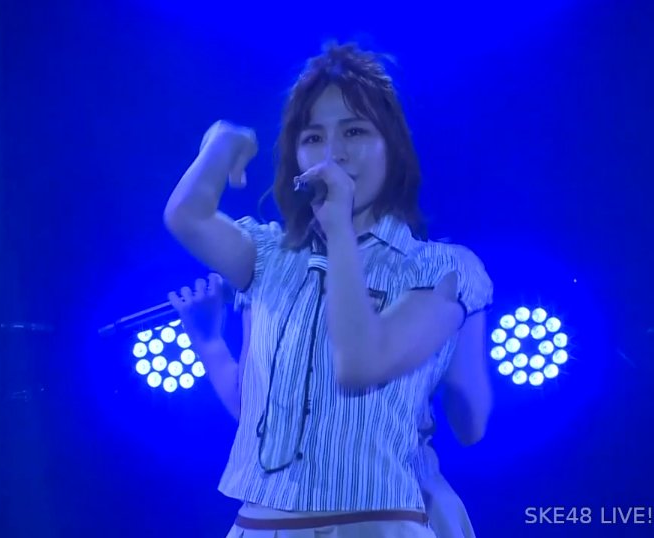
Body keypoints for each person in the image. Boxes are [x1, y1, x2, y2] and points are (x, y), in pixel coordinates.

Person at [163, 42, 493, 537]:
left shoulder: (439, 267)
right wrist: (222, 142)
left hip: (375, 522)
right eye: (313, 137)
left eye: (355, 131)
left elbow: (364, 368)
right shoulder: (270, 255)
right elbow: (187, 216)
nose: (333, 153)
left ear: (393, 147)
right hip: (260, 524)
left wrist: (455, 358)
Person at [169, 271, 490, 537]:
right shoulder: (447, 269)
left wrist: (208, 341)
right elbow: (470, 426)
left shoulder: (267, 265)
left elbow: (252, 411)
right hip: (401, 503)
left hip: (287, 508)